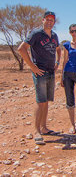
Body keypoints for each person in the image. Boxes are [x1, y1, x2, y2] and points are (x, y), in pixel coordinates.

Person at [18, 11, 61, 145]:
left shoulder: (54, 35)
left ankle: (44, 128)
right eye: (47, 19)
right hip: (40, 72)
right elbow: (21, 49)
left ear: (54, 22)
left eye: (51, 20)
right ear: (42, 20)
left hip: (50, 71)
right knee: (40, 102)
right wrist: (33, 67)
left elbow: (58, 49)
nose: (49, 21)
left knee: (47, 101)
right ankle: (37, 131)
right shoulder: (36, 34)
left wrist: (57, 63)